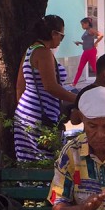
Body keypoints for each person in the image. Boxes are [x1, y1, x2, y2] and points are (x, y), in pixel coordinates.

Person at [14, 15, 77, 163]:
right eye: (62, 36)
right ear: (53, 33)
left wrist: (25, 112)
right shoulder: (44, 53)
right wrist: (78, 99)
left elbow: (19, 86)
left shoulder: (30, 50)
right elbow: (50, 86)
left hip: (24, 115)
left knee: (28, 164)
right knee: (47, 164)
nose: (61, 40)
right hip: (41, 118)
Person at [72, 17, 103, 87]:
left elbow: (101, 35)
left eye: (83, 24)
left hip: (91, 51)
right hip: (86, 52)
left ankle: (102, 82)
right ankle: (74, 84)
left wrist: (96, 43)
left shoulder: (91, 30)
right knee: (80, 68)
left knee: (95, 68)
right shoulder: (86, 31)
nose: (82, 26)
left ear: (87, 24)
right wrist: (79, 43)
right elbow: (87, 42)